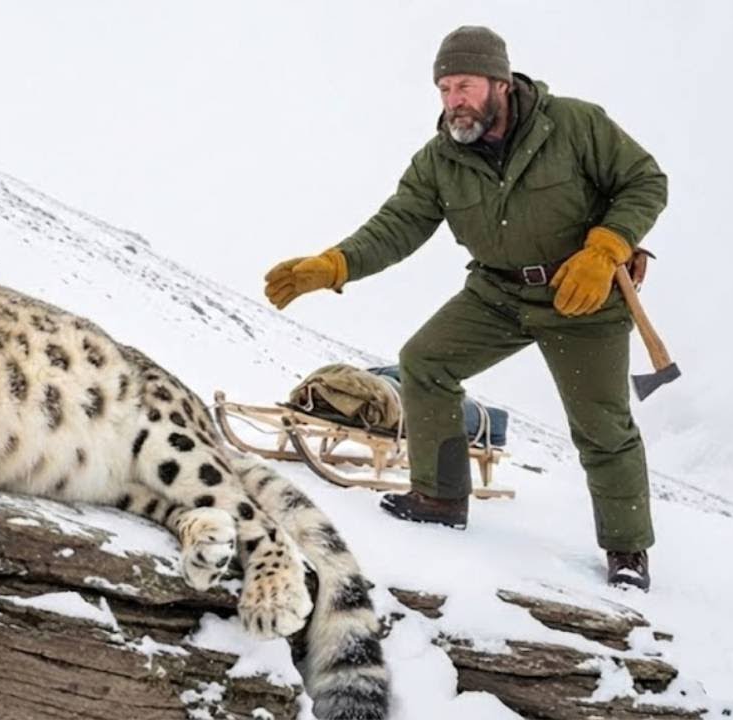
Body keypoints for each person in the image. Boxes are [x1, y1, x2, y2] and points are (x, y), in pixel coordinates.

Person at [263, 26, 667, 591]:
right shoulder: (439, 160)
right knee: (425, 362)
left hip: (584, 294)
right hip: (498, 293)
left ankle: (627, 549)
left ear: (500, 83)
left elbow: (644, 181)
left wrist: (608, 246)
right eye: (444, 88)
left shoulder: (574, 125)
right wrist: (335, 265)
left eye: (465, 85)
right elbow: (398, 224)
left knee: (602, 426)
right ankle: (440, 496)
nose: (454, 100)